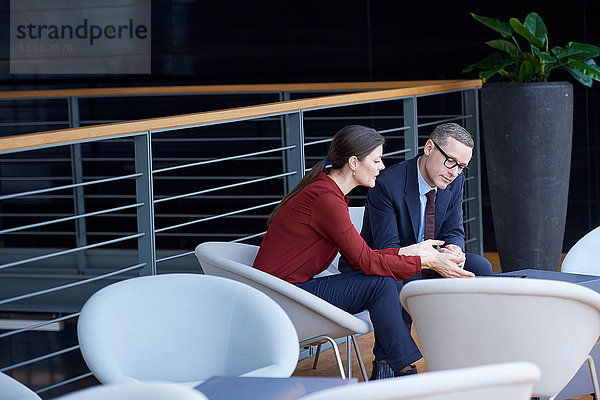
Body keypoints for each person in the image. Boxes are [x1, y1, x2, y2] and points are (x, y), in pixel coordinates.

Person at [253, 125, 473, 381]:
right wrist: (425, 260)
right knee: (379, 283)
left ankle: (396, 371)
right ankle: (405, 372)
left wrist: (416, 253)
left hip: (292, 289)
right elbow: (364, 260)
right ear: (354, 163)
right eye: (376, 160)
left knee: (382, 280)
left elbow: (362, 254)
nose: (382, 167)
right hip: (282, 297)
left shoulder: (329, 194)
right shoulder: (326, 199)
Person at [339, 122, 493, 377]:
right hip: (389, 264)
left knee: (481, 267)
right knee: (399, 278)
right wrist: (430, 259)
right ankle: (389, 364)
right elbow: (389, 248)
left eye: (462, 166)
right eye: (450, 161)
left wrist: (454, 249)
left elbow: (454, 229)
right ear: (429, 148)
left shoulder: (454, 180)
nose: (454, 172)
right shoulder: (388, 184)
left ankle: (476, 353)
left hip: (431, 260)